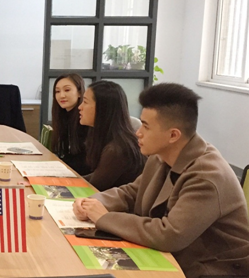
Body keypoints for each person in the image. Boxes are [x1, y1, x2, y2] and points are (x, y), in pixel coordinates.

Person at [73, 83, 249, 278]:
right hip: (173, 258)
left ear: (173, 135)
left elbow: (169, 234)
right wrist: (94, 202)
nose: (138, 132)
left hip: (212, 269)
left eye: (146, 126)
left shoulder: (207, 176)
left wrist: (104, 218)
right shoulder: (161, 156)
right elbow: (133, 191)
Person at [78, 80, 146, 191]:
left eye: (85, 102)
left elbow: (93, 187)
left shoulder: (117, 149)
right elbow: (96, 175)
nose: (80, 107)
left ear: (103, 108)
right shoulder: (105, 137)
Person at [51, 74, 91, 175]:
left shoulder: (84, 119)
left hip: (83, 175)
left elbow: (83, 161)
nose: (61, 95)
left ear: (79, 92)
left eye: (67, 90)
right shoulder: (64, 116)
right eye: (57, 91)